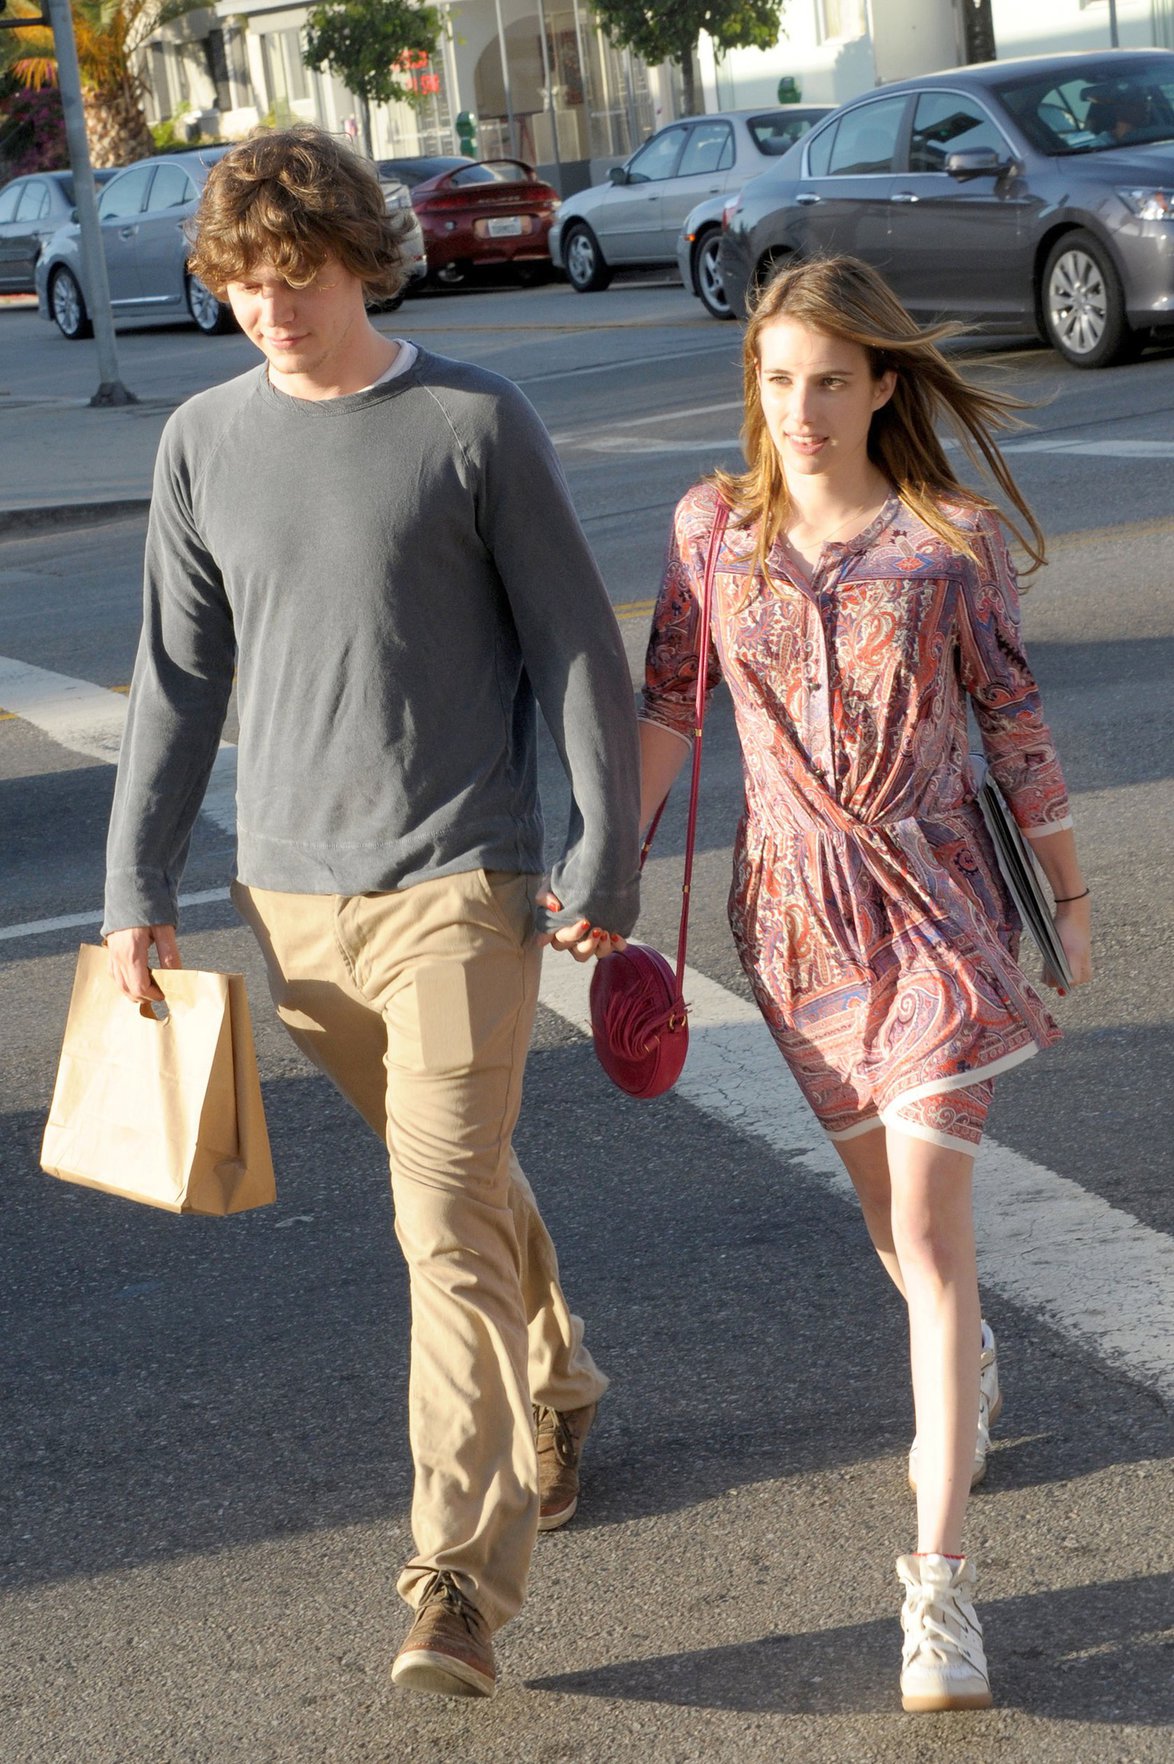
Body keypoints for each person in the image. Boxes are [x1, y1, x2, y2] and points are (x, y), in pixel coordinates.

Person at [102, 125, 640, 1701]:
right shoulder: (199, 439)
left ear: (360, 262)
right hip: (293, 901)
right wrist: (138, 885)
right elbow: (179, 678)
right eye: (246, 284)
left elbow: (573, 653)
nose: (275, 308)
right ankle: (556, 1371)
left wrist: (598, 856)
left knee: (429, 1221)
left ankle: (455, 1588)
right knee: (454, 1188)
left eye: (301, 278)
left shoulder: (472, 422)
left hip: (461, 885)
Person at [639, 256, 1092, 1713]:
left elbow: (1012, 722)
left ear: (884, 384)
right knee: (892, 1241)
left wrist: (1068, 894)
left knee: (925, 1221)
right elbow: (669, 705)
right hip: (793, 927)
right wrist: (607, 872)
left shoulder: (947, 540)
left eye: (830, 379)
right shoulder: (709, 531)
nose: (801, 408)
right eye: (777, 380)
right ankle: (960, 1366)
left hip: (939, 907)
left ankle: (937, 1598)